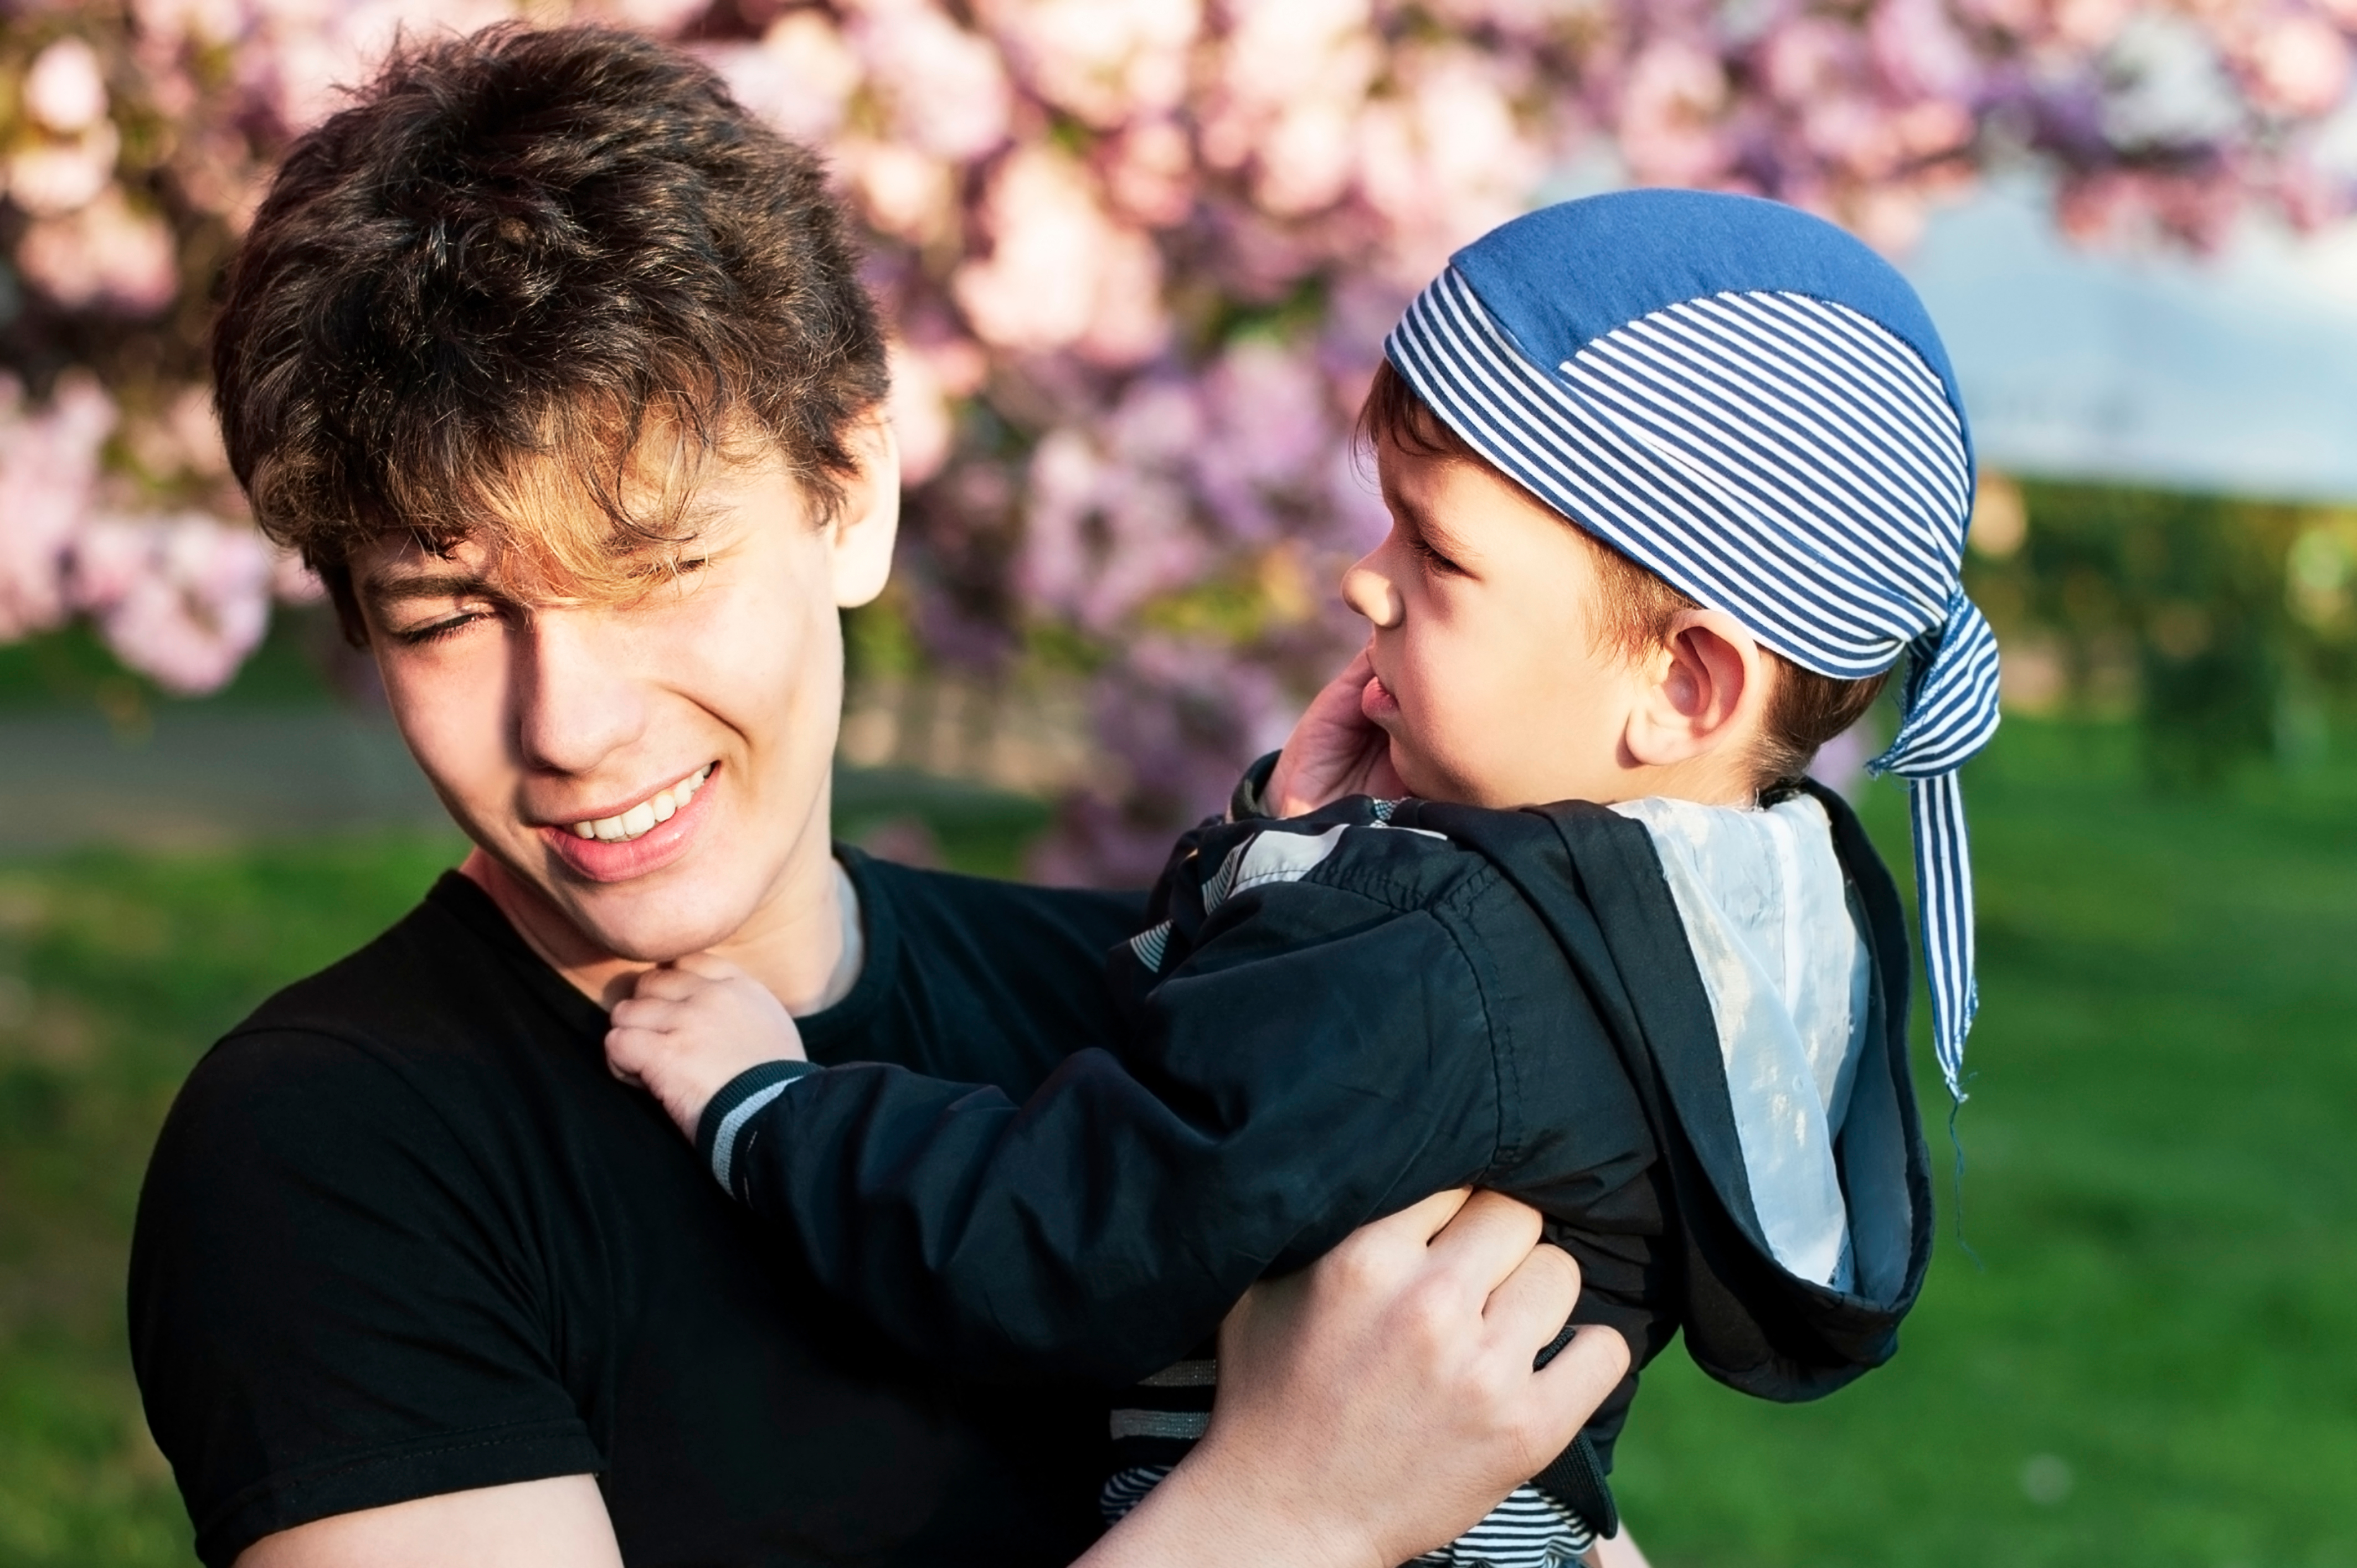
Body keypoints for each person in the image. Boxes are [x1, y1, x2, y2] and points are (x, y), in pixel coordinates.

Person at [123, 26, 1633, 1568]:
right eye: (447, 617)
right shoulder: (335, 1152)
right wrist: (1290, 1516)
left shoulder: (1167, 1024)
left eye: (654, 568)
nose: (567, 724)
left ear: (851, 497)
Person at [606, 190, 2004, 1566]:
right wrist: (1294, 843)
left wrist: (764, 1104)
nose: (1365, 580)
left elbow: (1075, 1232)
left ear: (1683, 683)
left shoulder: (1439, 960)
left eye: (1439, 553)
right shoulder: (1705, 922)